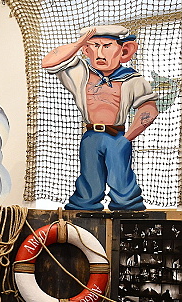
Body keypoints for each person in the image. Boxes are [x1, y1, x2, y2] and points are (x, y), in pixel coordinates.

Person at [42, 25, 158, 211]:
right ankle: (84, 208)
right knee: (89, 181)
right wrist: (78, 43)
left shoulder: (133, 79)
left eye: (106, 46)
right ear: (86, 50)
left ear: (124, 51)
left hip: (117, 136)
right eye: (94, 46)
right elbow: (48, 62)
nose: (100, 54)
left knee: (121, 182)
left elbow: (149, 109)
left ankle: (128, 209)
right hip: (91, 137)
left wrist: (127, 138)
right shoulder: (79, 72)